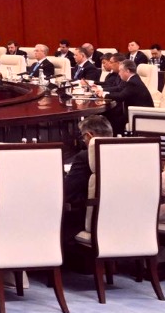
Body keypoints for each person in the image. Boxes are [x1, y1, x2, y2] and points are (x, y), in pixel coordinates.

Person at [61, 115, 112, 243]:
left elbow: (67, 192)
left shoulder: (84, 157)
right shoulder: (124, 151)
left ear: (89, 135)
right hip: (118, 219)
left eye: (83, 137)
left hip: (87, 220)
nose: (83, 140)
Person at [104, 60, 152, 129]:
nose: (119, 74)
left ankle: (113, 136)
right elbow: (121, 92)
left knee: (112, 118)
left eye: (120, 71)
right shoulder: (134, 78)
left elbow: (121, 96)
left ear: (127, 71)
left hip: (140, 115)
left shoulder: (133, 82)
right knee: (111, 113)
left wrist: (104, 95)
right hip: (135, 111)